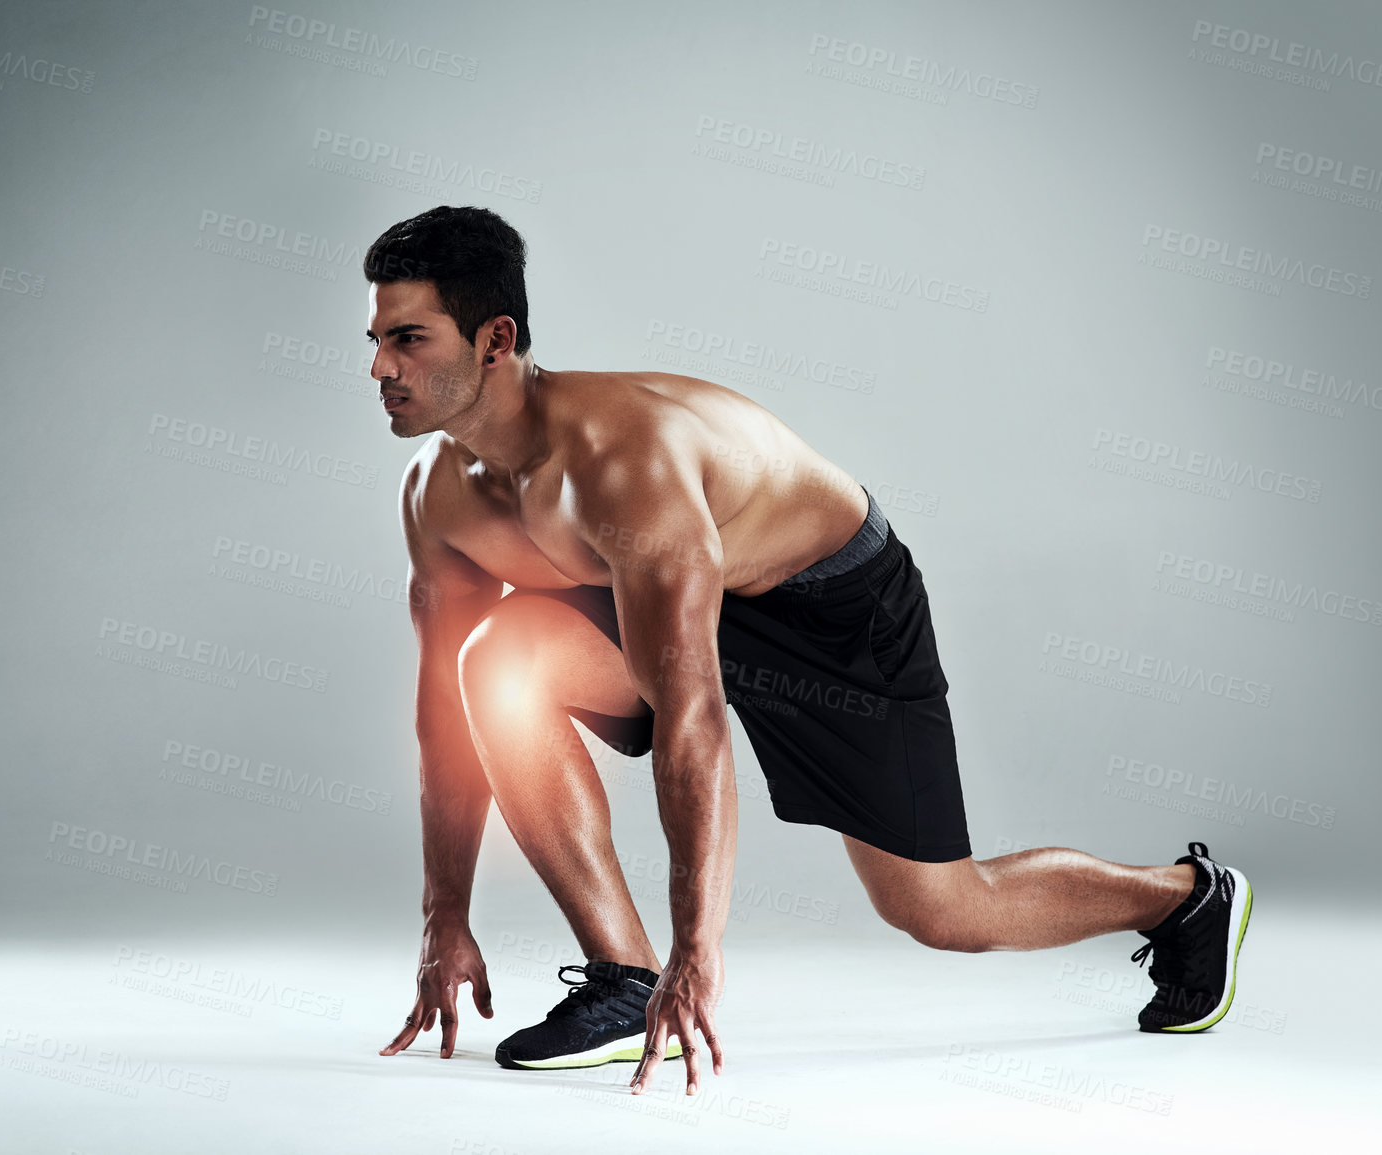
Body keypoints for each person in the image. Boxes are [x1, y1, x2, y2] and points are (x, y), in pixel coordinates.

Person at [366, 206, 1253, 1097]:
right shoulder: (435, 499)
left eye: (408, 339)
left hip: (834, 603)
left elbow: (692, 719)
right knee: (488, 662)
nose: (380, 368)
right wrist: (445, 912)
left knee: (938, 908)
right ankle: (623, 983)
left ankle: (1186, 898)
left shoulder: (620, 464)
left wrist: (699, 952)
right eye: (375, 339)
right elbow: (443, 717)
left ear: (495, 338)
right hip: (674, 588)